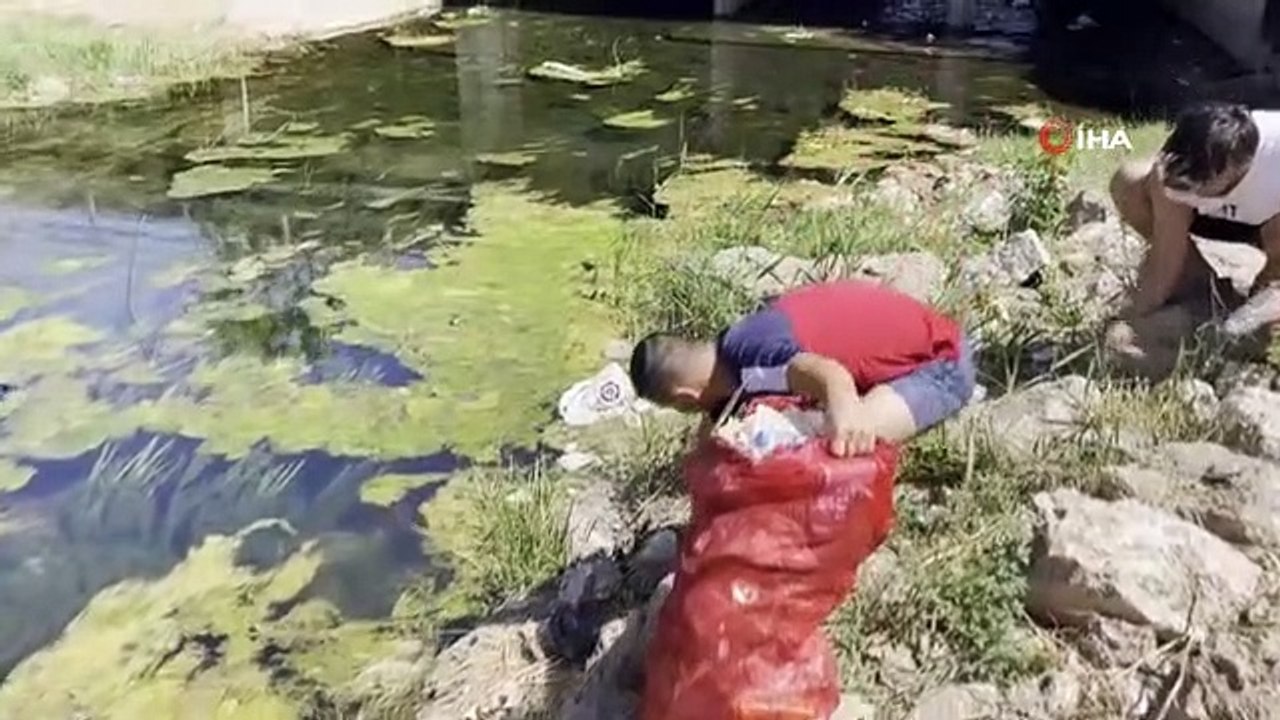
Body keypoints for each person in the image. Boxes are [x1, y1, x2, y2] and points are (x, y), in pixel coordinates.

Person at [627, 280, 977, 457]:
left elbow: (834, 378)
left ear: (685, 397)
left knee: (821, 448)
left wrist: (843, 418)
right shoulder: (737, 344)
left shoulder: (756, 358)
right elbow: (714, 423)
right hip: (919, 333)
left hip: (941, 363)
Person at [1106, 101, 1280, 375]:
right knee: (1131, 182)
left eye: (1197, 187)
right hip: (1216, 218)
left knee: (1254, 319)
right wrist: (1135, 319)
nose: (1186, 191)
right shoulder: (1179, 162)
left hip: (1270, 220)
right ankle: (1208, 289)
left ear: (1239, 168)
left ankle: (1263, 292)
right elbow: (1166, 256)